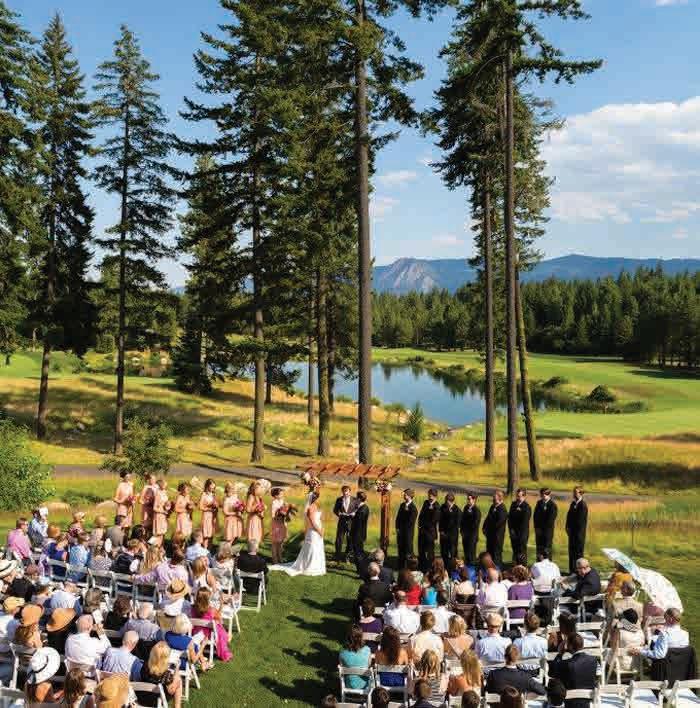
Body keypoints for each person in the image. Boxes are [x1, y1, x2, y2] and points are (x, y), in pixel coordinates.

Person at [271, 490, 326, 577]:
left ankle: (317, 566)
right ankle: (310, 566)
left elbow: (320, 519)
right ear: (314, 499)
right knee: (312, 548)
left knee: (317, 547)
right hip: (313, 530)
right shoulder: (311, 508)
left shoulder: (317, 506)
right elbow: (312, 521)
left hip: (318, 529)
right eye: (318, 498)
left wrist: (322, 528)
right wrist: (319, 530)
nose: (319, 499)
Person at [549, 633, 598, 708]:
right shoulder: (593, 660)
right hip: (587, 703)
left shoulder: (565, 664)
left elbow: (551, 673)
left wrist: (560, 654)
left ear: (570, 646)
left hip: (570, 703)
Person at [192, 586, 233, 661]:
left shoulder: (193, 608)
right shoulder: (211, 610)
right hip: (209, 634)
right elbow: (219, 618)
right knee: (220, 628)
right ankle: (226, 641)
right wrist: (221, 605)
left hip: (195, 631)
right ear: (207, 599)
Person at [138, 641, 183, 708]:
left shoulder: (144, 667)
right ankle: (177, 706)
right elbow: (171, 690)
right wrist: (177, 669)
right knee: (178, 681)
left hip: (142, 698)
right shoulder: (166, 675)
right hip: (157, 700)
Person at [607, 609, 645, 677]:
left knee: (605, 653)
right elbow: (642, 646)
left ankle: (608, 675)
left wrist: (612, 631)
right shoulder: (641, 632)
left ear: (625, 621)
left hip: (621, 664)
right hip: (637, 664)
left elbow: (613, 648)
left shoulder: (619, 632)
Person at [339, 624, 371, 692]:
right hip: (365, 685)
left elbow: (342, 666)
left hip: (348, 685)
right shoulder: (367, 650)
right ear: (361, 636)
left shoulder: (342, 653)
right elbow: (368, 665)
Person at [565, 487, 588, 574]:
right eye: (573, 492)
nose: (574, 494)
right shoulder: (573, 504)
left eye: (576, 492)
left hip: (579, 534)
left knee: (578, 553)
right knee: (571, 552)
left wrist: (576, 533)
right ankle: (572, 571)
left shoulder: (583, 505)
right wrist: (567, 527)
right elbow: (568, 516)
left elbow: (580, 521)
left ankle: (579, 571)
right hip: (572, 533)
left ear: (581, 493)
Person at [417, 489, 440, 573]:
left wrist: (425, 524)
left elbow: (434, 520)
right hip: (422, 531)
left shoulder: (437, 506)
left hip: (430, 532)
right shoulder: (426, 503)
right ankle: (421, 567)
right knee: (421, 550)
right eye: (429, 494)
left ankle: (430, 568)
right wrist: (420, 525)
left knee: (430, 552)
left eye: (431, 495)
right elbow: (421, 515)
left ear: (435, 496)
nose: (430, 496)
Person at [482, 491, 508, 567]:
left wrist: (490, 529)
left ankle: (497, 568)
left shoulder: (502, 509)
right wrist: (484, 527)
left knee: (496, 553)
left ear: (500, 498)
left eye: (494, 498)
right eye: (493, 497)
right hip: (490, 535)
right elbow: (488, 517)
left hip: (497, 536)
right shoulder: (493, 506)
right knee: (489, 551)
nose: (493, 499)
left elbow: (499, 522)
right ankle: (489, 567)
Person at [333, 485, 357, 562]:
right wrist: (339, 514)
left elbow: (357, 509)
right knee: (339, 539)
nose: (345, 493)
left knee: (350, 540)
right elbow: (335, 510)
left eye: (347, 492)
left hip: (351, 522)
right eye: (344, 492)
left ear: (350, 492)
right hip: (342, 522)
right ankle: (338, 556)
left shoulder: (355, 500)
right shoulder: (339, 499)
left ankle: (347, 557)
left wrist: (354, 514)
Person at [508, 488, 532, 565]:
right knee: (515, 550)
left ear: (524, 496)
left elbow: (524, 522)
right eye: (517, 496)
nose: (518, 498)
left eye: (519, 496)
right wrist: (511, 530)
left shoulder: (527, 507)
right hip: (513, 532)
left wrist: (517, 533)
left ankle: (523, 566)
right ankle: (515, 566)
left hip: (522, 533)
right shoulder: (513, 505)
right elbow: (510, 518)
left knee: (521, 551)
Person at [396, 488, 418, 569]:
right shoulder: (402, 505)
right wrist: (397, 527)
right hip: (400, 532)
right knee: (400, 549)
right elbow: (398, 518)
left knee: (408, 550)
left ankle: (409, 567)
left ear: (409, 496)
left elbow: (410, 522)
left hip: (408, 533)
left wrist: (403, 529)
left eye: (405, 494)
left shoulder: (413, 508)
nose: (404, 495)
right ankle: (400, 566)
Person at [533, 488, 558, 560]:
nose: (544, 495)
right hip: (538, 530)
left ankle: (547, 564)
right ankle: (539, 563)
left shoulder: (552, 505)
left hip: (547, 531)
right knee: (539, 548)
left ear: (549, 494)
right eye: (542, 494)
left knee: (546, 549)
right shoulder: (539, 503)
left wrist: (543, 529)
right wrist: (537, 528)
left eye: (546, 494)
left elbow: (551, 520)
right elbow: (535, 516)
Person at [439, 493, 461, 567]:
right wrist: (441, 531)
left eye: (447, 501)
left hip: (452, 535)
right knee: (443, 551)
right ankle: (444, 566)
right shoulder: (443, 507)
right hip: (443, 534)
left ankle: (453, 566)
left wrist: (449, 533)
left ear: (452, 501)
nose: (445, 503)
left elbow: (457, 524)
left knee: (452, 552)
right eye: (445, 501)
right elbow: (440, 520)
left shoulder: (457, 510)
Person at [460, 493, 481, 566]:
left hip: (472, 535)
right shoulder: (466, 508)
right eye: (467, 499)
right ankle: (466, 566)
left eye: (469, 499)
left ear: (474, 500)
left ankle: (472, 567)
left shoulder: (476, 510)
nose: (468, 500)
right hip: (465, 535)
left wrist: (467, 531)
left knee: (471, 553)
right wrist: (462, 530)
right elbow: (462, 520)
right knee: (466, 552)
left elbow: (475, 524)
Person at [350, 491, 369, 567]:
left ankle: (361, 568)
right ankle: (360, 567)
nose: (355, 499)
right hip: (356, 533)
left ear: (359, 499)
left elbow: (359, 522)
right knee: (357, 551)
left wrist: (353, 515)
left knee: (358, 552)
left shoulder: (364, 508)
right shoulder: (359, 507)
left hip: (358, 534)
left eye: (356, 498)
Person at [244, 480, 264, 546]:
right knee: (253, 537)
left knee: (257, 537)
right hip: (253, 519)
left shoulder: (259, 498)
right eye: (259, 488)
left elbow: (261, 508)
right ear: (254, 489)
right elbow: (248, 509)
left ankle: (255, 550)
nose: (261, 490)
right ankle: (252, 550)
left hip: (258, 519)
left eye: (261, 488)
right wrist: (256, 506)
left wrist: (262, 512)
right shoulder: (251, 497)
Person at [152, 479, 170, 546]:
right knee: (157, 533)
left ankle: (160, 547)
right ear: (161, 485)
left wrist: (168, 506)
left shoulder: (165, 492)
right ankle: (151, 545)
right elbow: (154, 508)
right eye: (165, 484)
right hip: (159, 515)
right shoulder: (158, 493)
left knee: (162, 533)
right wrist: (163, 511)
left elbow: (166, 503)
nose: (166, 485)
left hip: (164, 516)